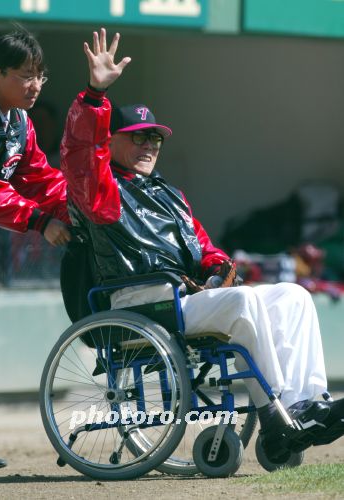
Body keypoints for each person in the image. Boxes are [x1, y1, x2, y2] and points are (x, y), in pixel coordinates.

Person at [60, 28, 344, 461]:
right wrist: (95, 94)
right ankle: (276, 413)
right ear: (110, 142)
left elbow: (205, 248)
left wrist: (218, 268)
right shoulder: (100, 190)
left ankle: (307, 405)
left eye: (154, 138)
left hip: (185, 298)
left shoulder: (169, 194)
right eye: (137, 136)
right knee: (243, 305)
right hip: (142, 300)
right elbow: (80, 152)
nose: (149, 145)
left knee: (293, 296)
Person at [0, 28, 71, 470]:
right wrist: (40, 222)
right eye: (26, 75)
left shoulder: (18, 123)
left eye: (40, 75)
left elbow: (38, 177)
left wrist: (79, 205)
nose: (37, 85)